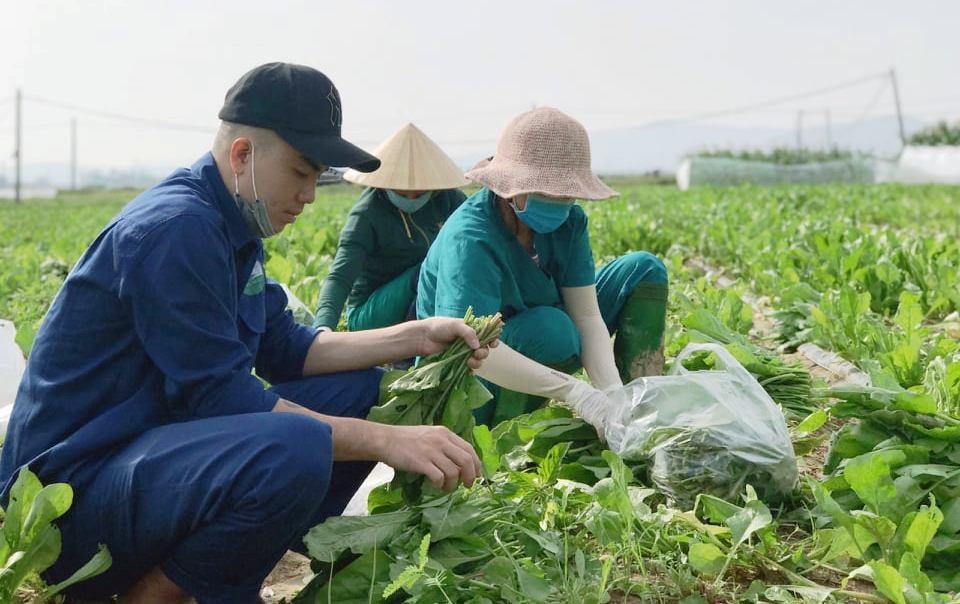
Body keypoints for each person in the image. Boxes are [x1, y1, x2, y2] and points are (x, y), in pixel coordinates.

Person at [0, 63, 488, 603]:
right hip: (68, 503)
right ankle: (159, 595)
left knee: (358, 390)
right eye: (301, 173)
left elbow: (285, 349)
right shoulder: (176, 230)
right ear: (242, 156)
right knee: (299, 445)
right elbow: (219, 396)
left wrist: (415, 337)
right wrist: (387, 439)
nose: (309, 195)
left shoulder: (230, 224)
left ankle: (231, 562)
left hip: (143, 457)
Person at [417, 107, 668, 427]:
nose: (558, 202)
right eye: (545, 191)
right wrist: (575, 392)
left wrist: (612, 395)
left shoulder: (569, 222)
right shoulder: (470, 238)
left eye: (567, 195)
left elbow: (588, 316)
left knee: (643, 269)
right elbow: (468, 348)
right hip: (469, 378)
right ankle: (510, 433)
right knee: (552, 330)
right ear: (510, 189)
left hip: (538, 333)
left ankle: (637, 410)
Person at [313, 123, 468, 332]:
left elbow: (476, 237)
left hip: (430, 298)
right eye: (402, 194)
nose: (411, 199)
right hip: (372, 312)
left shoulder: (449, 201)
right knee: (427, 270)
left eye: (420, 193)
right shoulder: (367, 214)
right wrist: (322, 328)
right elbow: (340, 277)